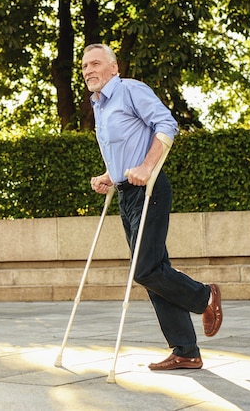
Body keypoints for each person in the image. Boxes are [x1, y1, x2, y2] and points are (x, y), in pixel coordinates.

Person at [82, 43, 223, 370]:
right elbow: (125, 147)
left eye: (95, 63)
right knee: (155, 270)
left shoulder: (130, 90)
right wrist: (109, 175)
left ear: (114, 67)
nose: (89, 70)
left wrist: (146, 168)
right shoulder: (99, 106)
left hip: (150, 189)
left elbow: (166, 125)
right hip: (125, 194)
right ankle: (186, 350)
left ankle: (205, 296)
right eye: (85, 66)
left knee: (144, 269)